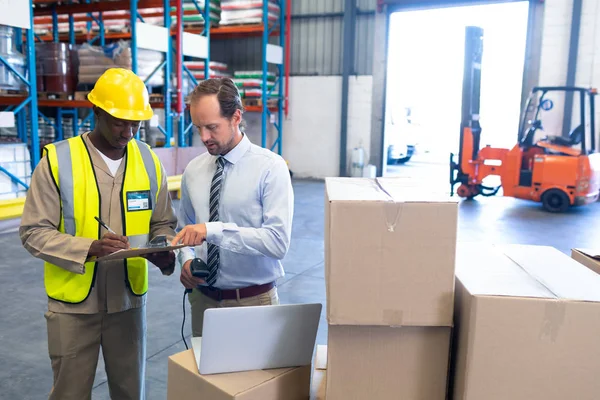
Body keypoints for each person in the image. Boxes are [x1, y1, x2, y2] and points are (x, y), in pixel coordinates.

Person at [19, 68, 178, 400]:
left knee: (130, 391)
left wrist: (162, 248)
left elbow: (162, 222)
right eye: (120, 121)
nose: (128, 132)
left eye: (136, 123)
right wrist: (89, 247)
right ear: (97, 112)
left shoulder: (149, 162)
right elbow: (34, 231)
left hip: (128, 303)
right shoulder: (58, 161)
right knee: (70, 393)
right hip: (73, 307)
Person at [171, 78, 294, 337]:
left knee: (255, 379)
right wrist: (187, 259)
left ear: (236, 117)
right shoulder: (194, 170)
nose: (204, 137)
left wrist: (213, 231)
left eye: (212, 127)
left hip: (252, 303)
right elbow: (185, 230)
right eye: (198, 128)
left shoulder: (270, 168)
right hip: (203, 303)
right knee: (205, 378)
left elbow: (277, 242)